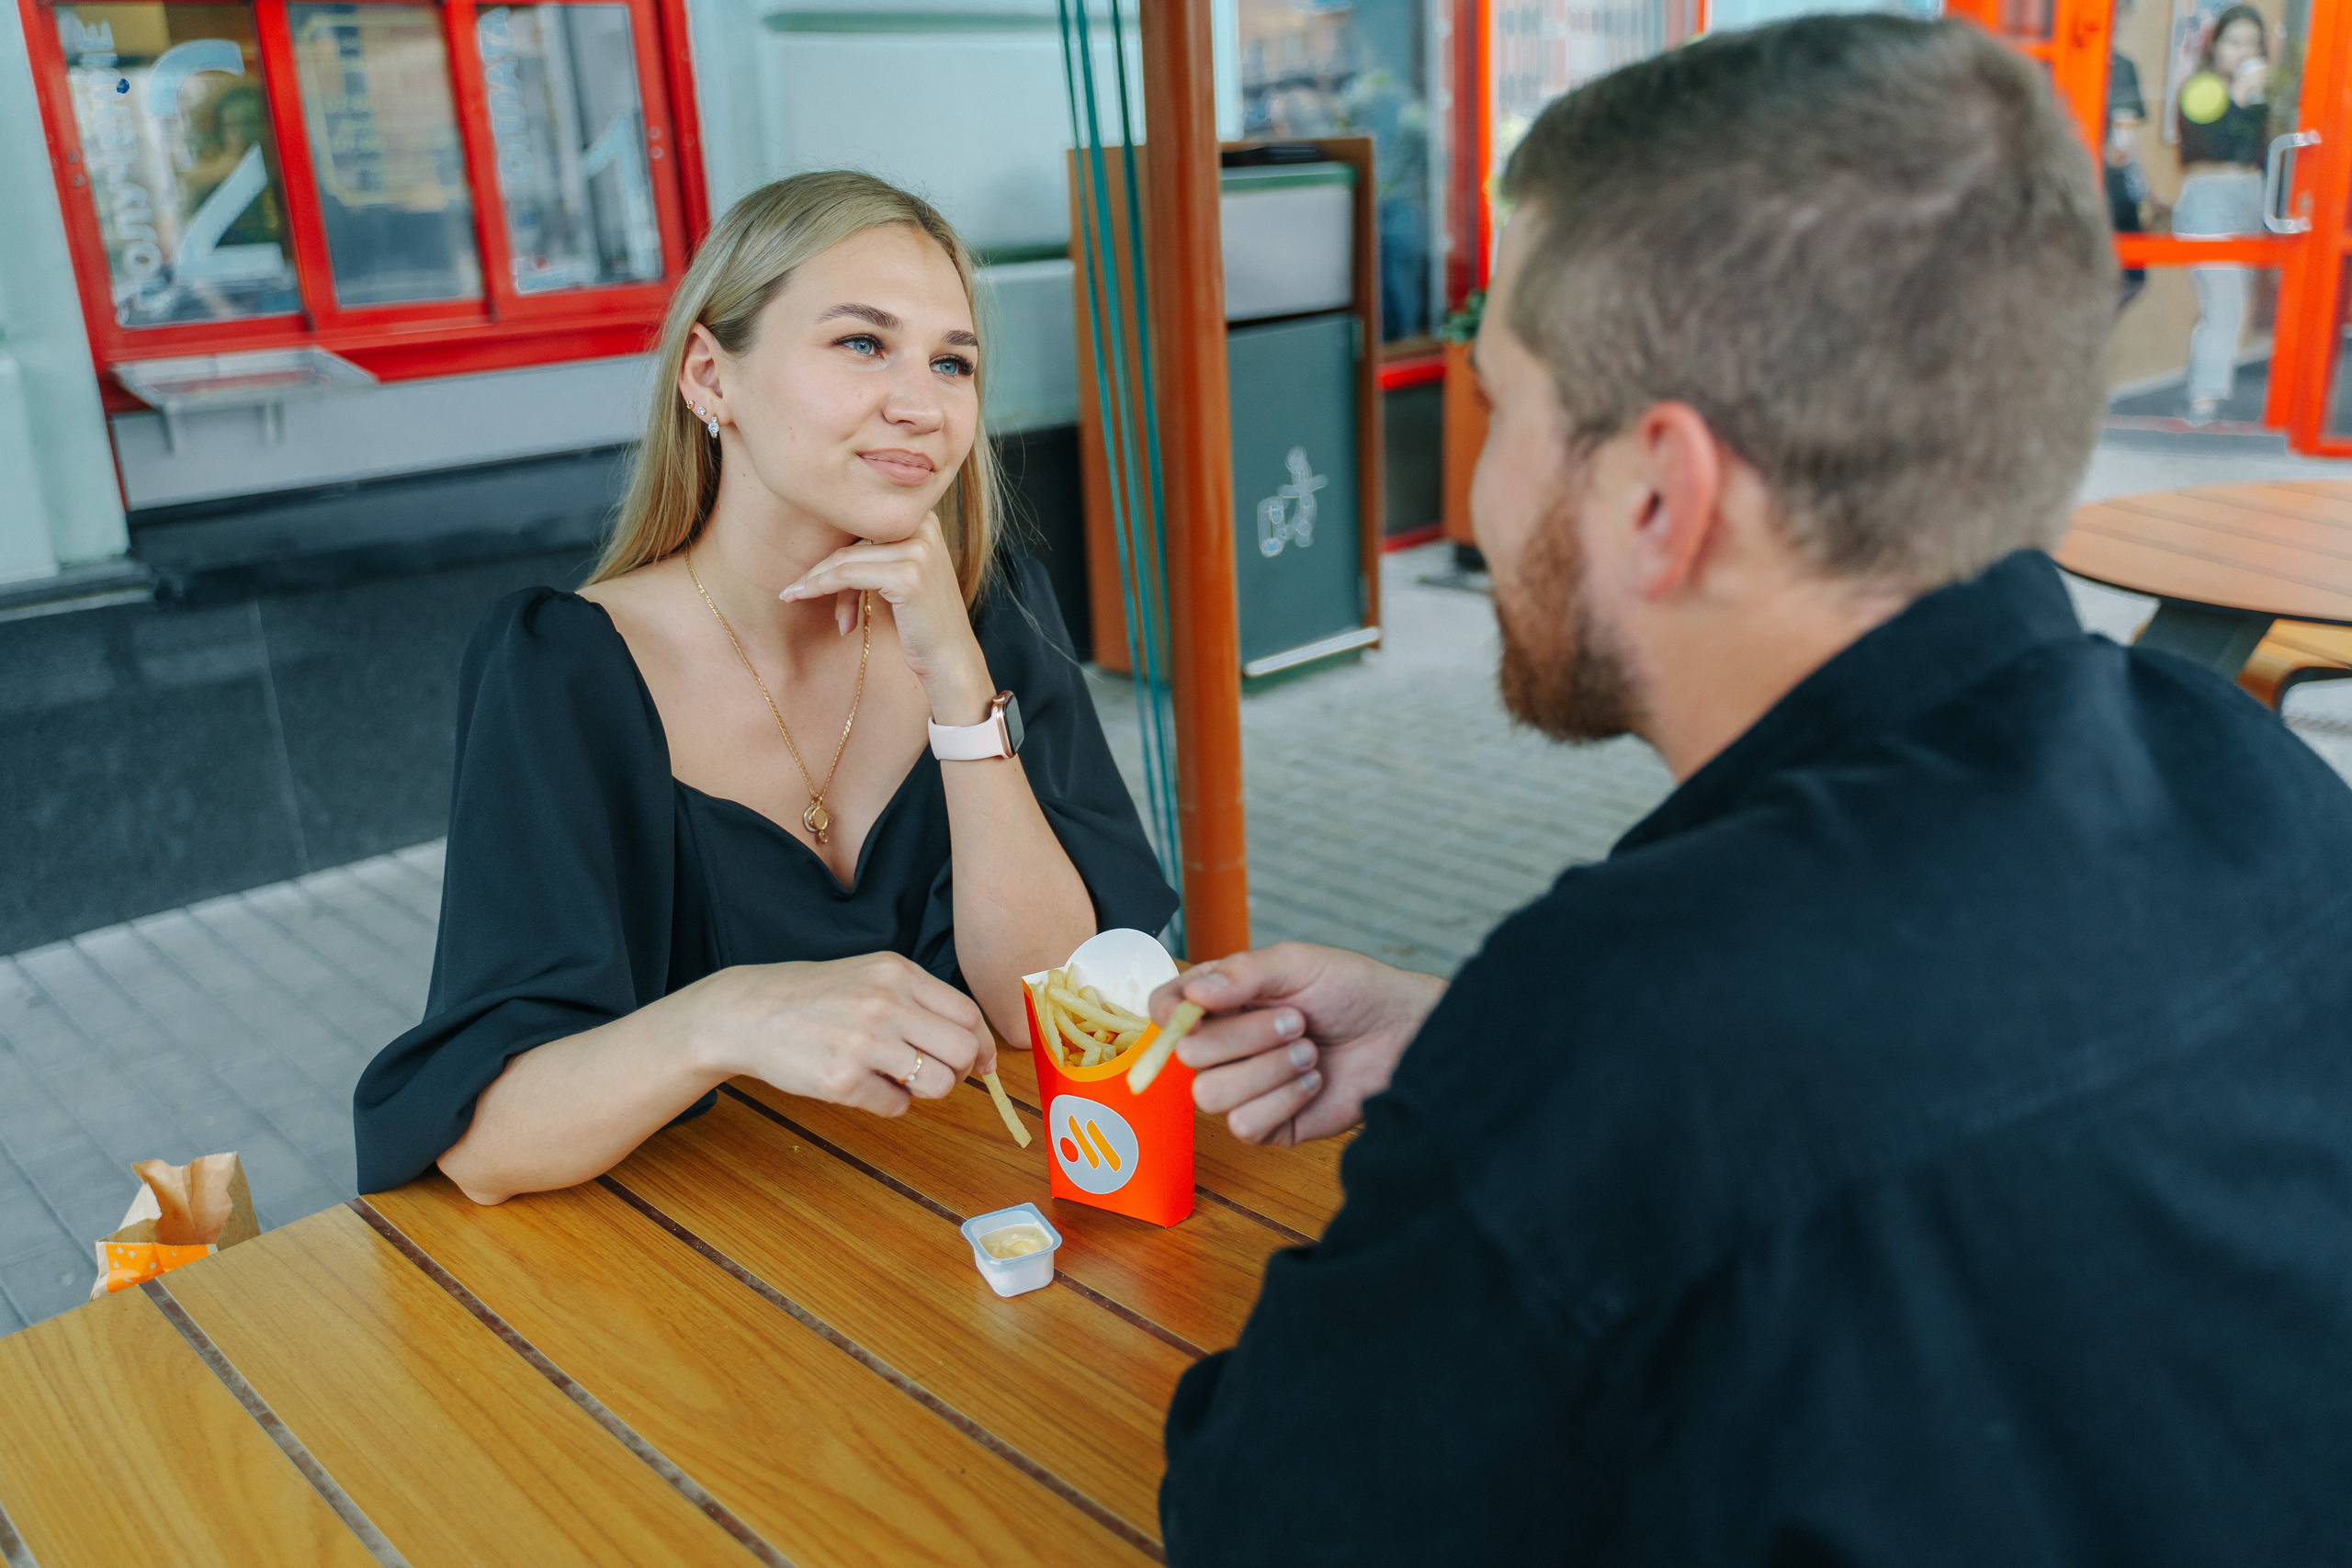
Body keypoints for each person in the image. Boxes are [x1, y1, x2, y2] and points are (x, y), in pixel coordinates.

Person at [1153, 17, 2352, 1564]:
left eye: (1502, 397)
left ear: (1659, 494)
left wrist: (1513, 1083)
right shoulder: (2249, 768)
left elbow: (1265, 1514)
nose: (1486, 472)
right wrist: (1465, 1040)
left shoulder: (1619, 1026)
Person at [353, 172, 1174, 1201]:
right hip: (703, 1278)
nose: (919, 404)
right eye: (862, 343)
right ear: (709, 376)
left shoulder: (989, 607)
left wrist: (959, 688)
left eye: (952, 362)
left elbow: (1043, 1014)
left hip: (968, 1225)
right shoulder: (563, 669)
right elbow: (486, 1143)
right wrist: (729, 1016)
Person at [2173, 5, 2272, 421]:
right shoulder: (2203, 86)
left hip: (2249, 198)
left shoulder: (2259, 96)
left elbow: (2262, 150)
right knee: (2223, 301)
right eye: (2235, 41)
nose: (2243, 51)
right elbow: (2207, 145)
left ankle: (2207, 394)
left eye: (2252, 43)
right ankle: (2203, 401)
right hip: (2208, 200)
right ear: (2215, 46)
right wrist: (2239, 96)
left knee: (2229, 302)